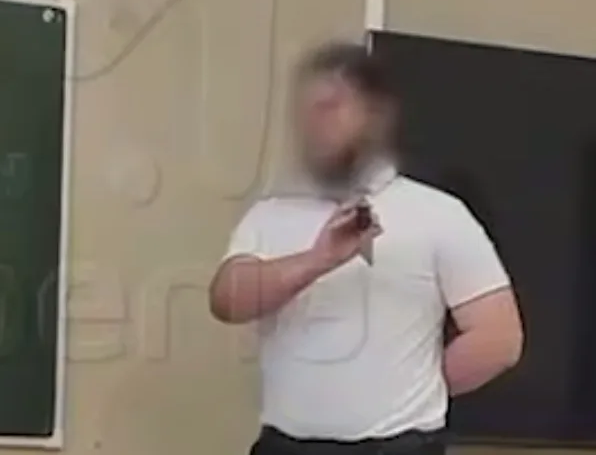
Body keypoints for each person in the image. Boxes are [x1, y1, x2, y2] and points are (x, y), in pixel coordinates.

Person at [208, 41, 523, 455]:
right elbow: (227, 300)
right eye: (306, 112)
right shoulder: (270, 215)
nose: (314, 125)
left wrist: (413, 396)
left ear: (374, 115)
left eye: (330, 107)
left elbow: (499, 339)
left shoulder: (439, 214)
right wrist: (318, 260)